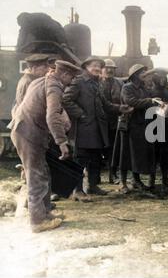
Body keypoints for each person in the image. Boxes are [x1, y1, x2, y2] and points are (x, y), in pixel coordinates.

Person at [10, 60, 81, 233]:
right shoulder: (54, 86)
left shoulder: (41, 80)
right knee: (36, 176)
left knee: (43, 173)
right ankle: (37, 221)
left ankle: (45, 212)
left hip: (26, 130)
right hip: (29, 134)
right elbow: (52, 116)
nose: (70, 82)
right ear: (64, 74)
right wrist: (62, 142)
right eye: (70, 77)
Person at [63, 57, 132, 201]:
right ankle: (78, 190)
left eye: (99, 66)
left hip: (97, 129)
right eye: (94, 65)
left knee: (95, 159)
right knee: (80, 160)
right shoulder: (79, 81)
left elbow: (105, 104)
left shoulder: (97, 83)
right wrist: (80, 114)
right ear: (86, 66)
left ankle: (92, 186)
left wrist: (120, 108)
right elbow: (65, 99)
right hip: (83, 129)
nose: (97, 68)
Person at [121, 64, 160, 191]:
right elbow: (131, 102)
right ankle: (134, 180)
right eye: (143, 73)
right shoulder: (127, 88)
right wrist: (150, 101)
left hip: (145, 124)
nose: (146, 75)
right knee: (132, 154)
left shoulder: (144, 89)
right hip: (133, 125)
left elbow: (148, 103)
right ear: (136, 75)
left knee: (143, 154)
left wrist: (159, 104)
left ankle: (139, 180)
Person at [100, 59, 124, 183]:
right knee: (98, 149)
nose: (109, 70)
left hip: (115, 121)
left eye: (112, 68)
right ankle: (95, 178)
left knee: (113, 149)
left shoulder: (119, 84)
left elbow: (123, 99)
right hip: (100, 122)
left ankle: (113, 174)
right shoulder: (97, 83)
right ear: (101, 70)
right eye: (106, 68)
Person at [151, 71, 168, 193]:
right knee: (153, 154)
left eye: (164, 78)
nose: (163, 80)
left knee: (165, 154)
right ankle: (152, 179)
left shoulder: (167, 91)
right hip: (153, 126)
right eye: (161, 78)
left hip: (165, 125)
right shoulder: (150, 91)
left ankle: (165, 178)